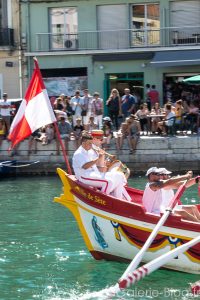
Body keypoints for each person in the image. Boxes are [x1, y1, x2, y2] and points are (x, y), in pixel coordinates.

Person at [72, 132, 130, 200]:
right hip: (84, 176)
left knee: (120, 176)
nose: (91, 145)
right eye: (89, 143)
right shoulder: (78, 153)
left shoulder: (89, 151)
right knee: (109, 182)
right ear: (83, 143)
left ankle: (119, 199)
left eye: (91, 143)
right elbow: (85, 166)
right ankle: (103, 200)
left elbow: (96, 165)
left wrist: (103, 160)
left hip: (93, 174)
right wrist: (98, 158)